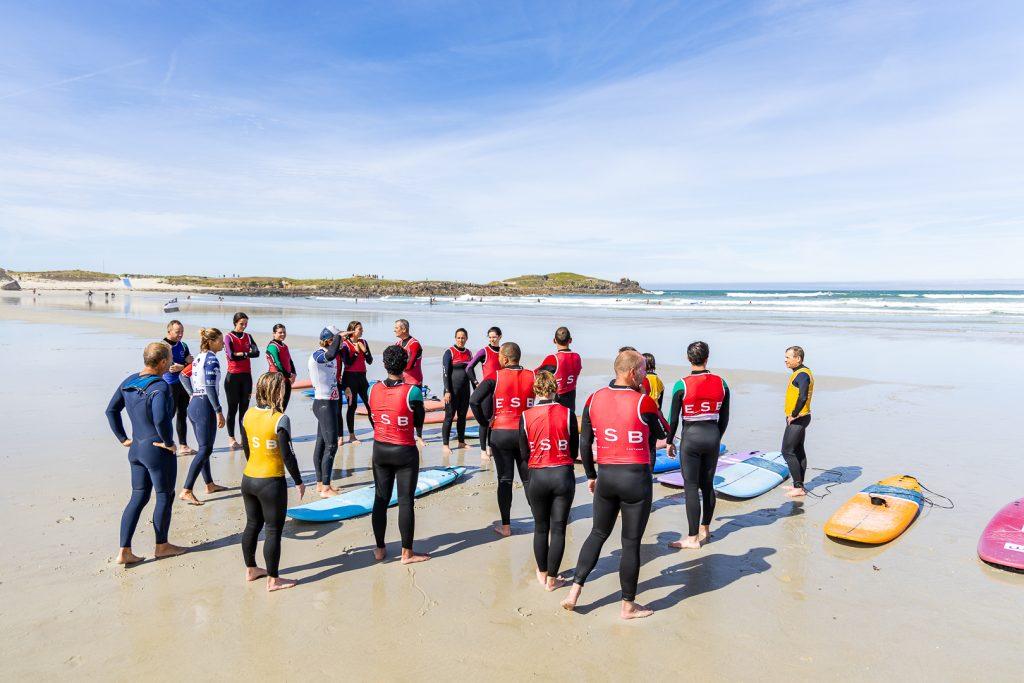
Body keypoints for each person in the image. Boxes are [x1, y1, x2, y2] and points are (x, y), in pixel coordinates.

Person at [561, 349, 665, 620]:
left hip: (606, 476)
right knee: (630, 543)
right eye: (642, 370)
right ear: (632, 373)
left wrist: (592, 475)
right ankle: (628, 606)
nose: (645, 375)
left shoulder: (594, 398)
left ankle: (574, 592)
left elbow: (584, 443)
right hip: (635, 478)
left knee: (597, 533)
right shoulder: (644, 401)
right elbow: (664, 432)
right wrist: (644, 395)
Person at [106, 342, 187, 564]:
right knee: (164, 495)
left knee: (138, 497)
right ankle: (162, 546)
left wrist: (123, 438)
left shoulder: (130, 380)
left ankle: (124, 551)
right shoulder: (160, 387)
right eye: (169, 358)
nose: (171, 362)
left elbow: (111, 410)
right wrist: (169, 442)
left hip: (136, 450)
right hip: (157, 451)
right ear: (162, 362)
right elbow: (161, 418)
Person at [239, 372, 305, 591]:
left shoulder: (247, 414)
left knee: (251, 525)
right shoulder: (279, 419)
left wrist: (256, 467)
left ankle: (251, 569)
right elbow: (288, 455)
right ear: (278, 391)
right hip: (271, 482)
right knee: (273, 531)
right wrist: (298, 481)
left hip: (249, 478)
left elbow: (247, 447)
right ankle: (274, 580)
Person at [367, 345, 430, 564]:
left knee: (380, 499)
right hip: (404, 450)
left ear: (384, 364)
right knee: (405, 501)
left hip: (380, 449)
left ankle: (379, 549)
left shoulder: (371, 389)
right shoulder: (412, 391)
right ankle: (407, 553)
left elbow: (372, 416)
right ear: (405, 365)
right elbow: (419, 420)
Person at [665, 341, 730, 549]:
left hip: (691, 438)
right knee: (708, 484)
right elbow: (725, 417)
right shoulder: (722, 383)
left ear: (688, 358)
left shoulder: (681, 384)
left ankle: (692, 538)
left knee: (691, 486)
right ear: (707, 358)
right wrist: (716, 437)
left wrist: (668, 441)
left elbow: (673, 419)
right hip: (712, 435)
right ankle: (705, 529)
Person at [469, 342, 535, 537]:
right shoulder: (532, 376)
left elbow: (474, 400)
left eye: (500, 358)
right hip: (524, 433)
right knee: (527, 480)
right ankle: (541, 523)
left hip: (500, 433)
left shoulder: (495, 377)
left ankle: (506, 527)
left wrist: (485, 421)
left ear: (505, 359)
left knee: (505, 480)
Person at [520, 371, 578, 590]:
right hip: (562, 474)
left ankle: (542, 572)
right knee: (559, 528)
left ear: (536, 390)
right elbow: (574, 449)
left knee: (541, 528)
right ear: (555, 389)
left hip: (538, 476)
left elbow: (524, 453)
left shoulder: (525, 416)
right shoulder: (568, 413)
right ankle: (552, 580)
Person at [180, 328, 229, 505]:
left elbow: (182, 376)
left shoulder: (198, 359)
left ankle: (209, 484)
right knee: (206, 449)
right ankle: (187, 489)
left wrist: (192, 394)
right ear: (212, 341)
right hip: (204, 406)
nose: (223, 344)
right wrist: (218, 410)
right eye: (220, 341)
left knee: (204, 447)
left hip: (194, 405)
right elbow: (209, 387)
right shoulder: (212, 360)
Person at [308, 326, 353, 497]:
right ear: (329, 340)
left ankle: (321, 484)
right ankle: (325, 488)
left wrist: (345, 388)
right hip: (323, 403)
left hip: (332, 403)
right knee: (331, 445)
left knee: (321, 443)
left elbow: (332, 380)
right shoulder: (318, 355)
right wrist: (339, 338)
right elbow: (330, 354)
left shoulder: (333, 357)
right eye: (337, 340)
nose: (341, 344)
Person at [224, 312, 260, 449]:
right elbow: (231, 356)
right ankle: (232, 439)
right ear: (235, 323)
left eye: (246, 324)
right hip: (232, 377)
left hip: (246, 377)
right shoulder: (228, 337)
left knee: (244, 409)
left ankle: (243, 438)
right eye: (241, 324)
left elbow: (256, 353)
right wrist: (246, 354)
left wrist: (243, 354)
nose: (244, 326)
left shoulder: (248, 337)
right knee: (233, 408)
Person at [781, 346, 813, 498]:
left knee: (787, 451)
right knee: (798, 450)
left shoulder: (802, 375)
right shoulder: (800, 373)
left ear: (798, 358)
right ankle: (798, 485)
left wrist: (793, 414)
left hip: (799, 418)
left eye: (788, 357)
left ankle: (799, 488)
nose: (785, 360)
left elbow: (803, 397)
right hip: (802, 417)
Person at [467, 326, 502, 457]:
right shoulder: (484, 351)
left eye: (495, 337)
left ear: (500, 337)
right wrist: (476, 383)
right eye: (490, 337)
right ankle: (483, 451)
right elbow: (469, 368)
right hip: (487, 391)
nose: (492, 339)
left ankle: (490, 447)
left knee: (495, 421)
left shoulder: (503, 351)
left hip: (500, 391)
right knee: (485, 421)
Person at [162, 320, 195, 455]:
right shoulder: (163, 346)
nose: (180, 334)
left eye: (182, 331)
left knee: (182, 414)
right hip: (169, 384)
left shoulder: (183, 345)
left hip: (183, 383)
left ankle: (183, 445)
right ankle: (166, 444)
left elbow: (190, 363)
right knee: (168, 415)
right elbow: (168, 367)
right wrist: (183, 364)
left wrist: (183, 365)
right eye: (177, 332)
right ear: (169, 332)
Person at [534, 326, 582, 412]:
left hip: (556, 399)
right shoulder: (577, 357)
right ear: (570, 340)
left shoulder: (553, 358)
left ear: (554, 340)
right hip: (571, 397)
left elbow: (535, 374)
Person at [341, 321, 374, 443]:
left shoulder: (363, 342)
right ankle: (352, 436)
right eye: (359, 329)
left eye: (362, 329)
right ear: (352, 330)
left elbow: (370, 361)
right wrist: (355, 352)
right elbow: (347, 363)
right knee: (352, 406)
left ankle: (377, 432)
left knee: (370, 406)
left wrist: (364, 350)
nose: (362, 331)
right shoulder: (345, 344)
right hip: (349, 378)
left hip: (362, 377)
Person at [441, 328, 473, 456]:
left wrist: (476, 387)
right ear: (455, 338)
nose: (461, 340)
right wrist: (447, 390)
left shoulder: (469, 353)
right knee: (449, 417)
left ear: (466, 338)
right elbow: (445, 373)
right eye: (459, 337)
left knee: (462, 416)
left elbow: (470, 372)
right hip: (452, 390)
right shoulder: (449, 352)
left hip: (465, 390)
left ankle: (461, 441)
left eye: (463, 337)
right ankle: (445, 444)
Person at [265, 323, 297, 410]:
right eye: (280, 332)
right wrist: (289, 375)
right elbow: (277, 364)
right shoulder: (272, 346)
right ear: (274, 334)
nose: (283, 334)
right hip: (275, 380)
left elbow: (290, 361)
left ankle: (280, 423)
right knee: (275, 406)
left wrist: (294, 373)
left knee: (283, 407)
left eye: (284, 332)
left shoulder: (285, 346)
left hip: (286, 380)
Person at [393, 319, 423, 388]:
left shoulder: (414, 344)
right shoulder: (397, 344)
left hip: (413, 383)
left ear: (404, 329)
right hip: (400, 382)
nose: (394, 330)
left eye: (396, 328)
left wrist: (395, 366)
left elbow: (409, 365)